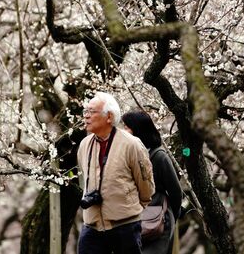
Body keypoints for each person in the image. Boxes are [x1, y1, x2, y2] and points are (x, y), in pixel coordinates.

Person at [77, 92, 155, 254]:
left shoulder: (131, 144)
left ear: (109, 117)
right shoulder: (84, 145)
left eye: (92, 112)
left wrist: (130, 208)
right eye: (86, 112)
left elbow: (145, 183)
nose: (86, 117)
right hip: (92, 224)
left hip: (125, 225)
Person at [121, 110, 183, 254]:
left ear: (137, 129)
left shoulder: (159, 156)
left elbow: (176, 191)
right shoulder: (129, 154)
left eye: (126, 127)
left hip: (156, 221)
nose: (123, 131)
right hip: (133, 220)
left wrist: (171, 215)